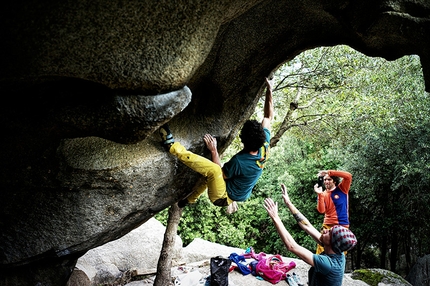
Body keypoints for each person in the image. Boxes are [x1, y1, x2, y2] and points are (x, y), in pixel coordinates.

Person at [159, 77, 274, 213]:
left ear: (243, 141)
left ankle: (172, 147)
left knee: (213, 170)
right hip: (237, 191)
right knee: (209, 174)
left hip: (222, 197)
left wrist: (213, 150)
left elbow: (219, 172)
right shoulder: (264, 143)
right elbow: (268, 117)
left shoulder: (240, 162)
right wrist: (269, 90)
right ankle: (190, 199)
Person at [264, 184, 357, 286]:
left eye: (329, 233)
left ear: (332, 243)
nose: (325, 230)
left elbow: (291, 246)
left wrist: (275, 218)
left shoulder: (328, 264)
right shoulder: (335, 249)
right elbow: (307, 226)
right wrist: (289, 203)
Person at [314, 170, 352, 254]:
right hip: (328, 225)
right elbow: (321, 210)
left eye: (329, 179)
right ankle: (319, 266)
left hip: (342, 225)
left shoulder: (342, 189)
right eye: (325, 180)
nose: (326, 181)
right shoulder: (323, 194)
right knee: (322, 249)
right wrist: (319, 194)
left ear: (334, 181)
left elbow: (348, 176)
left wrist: (329, 172)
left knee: (341, 251)